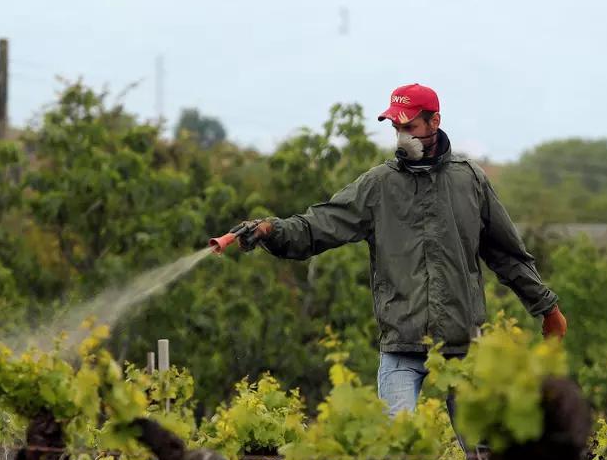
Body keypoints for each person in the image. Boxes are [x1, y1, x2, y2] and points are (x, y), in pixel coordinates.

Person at [231, 82, 566, 434]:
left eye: (410, 127)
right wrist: (273, 230)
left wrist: (547, 308)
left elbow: (508, 254)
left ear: (434, 122)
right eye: (396, 128)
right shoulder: (378, 185)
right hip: (401, 344)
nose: (402, 136)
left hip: (462, 344)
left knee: (483, 453)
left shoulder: (469, 181)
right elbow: (321, 224)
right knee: (392, 448)